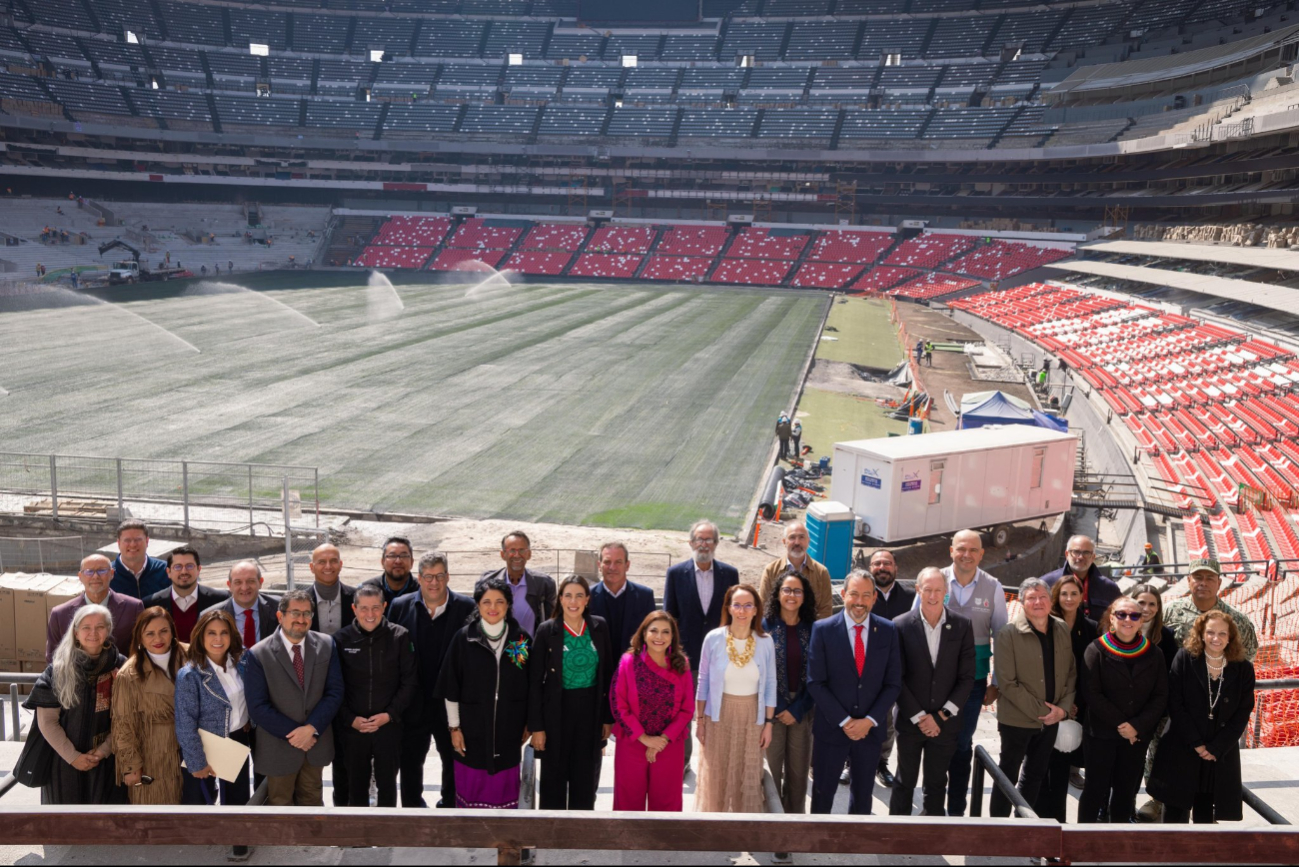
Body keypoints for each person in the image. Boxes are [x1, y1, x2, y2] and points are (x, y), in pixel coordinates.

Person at [1139, 559, 1257, 822]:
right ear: (1189, 581)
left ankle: (1205, 806)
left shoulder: (1235, 619)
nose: (1203, 583)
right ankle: (1158, 800)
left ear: (1219, 582)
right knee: (1162, 753)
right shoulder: (1169, 612)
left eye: (1209, 578)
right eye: (1197, 577)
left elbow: (1246, 656)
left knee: (1205, 768)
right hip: (1173, 700)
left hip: (1214, 708)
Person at [911, 529, 1008, 817]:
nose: (966, 555)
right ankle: (933, 810)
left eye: (973, 550)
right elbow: (912, 627)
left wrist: (997, 682)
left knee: (962, 744)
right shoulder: (933, 581)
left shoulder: (993, 587)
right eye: (961, 548)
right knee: (936, 742)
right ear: (950, 550)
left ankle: (956, 812)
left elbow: (1002, 637)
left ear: (982, 554)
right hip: (932, 682)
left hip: (973, 683)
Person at [807, 570, 902, 815]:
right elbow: (815, 682)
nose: (859, 602)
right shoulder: (823, 629)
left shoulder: (888, 630)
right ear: (843, 594)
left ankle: (856, 840)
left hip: (869, 733)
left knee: (862, 795)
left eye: (866, 595)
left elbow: (893, 683)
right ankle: (819, 840)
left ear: (874, 599)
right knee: (823, 792)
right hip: (831, 729)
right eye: (854, 594)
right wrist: (846, 721)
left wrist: (869, 721)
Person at [437, 576, 532, 809]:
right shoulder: (464, 639)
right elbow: (451, 689)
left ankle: (504, 839)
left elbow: (531, 687)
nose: (493, 608)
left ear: (508, 605)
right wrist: (455, 728)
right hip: (471, 731)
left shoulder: (520, 641)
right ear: (477, 605)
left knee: (504, 792)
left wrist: (529, 723)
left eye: (499, 602)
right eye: (486, 601)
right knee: (472, 789)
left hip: (509, 732)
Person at [389, 552, 475, 808]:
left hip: (450, 702)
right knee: (411, 760)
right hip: (412, 701)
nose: (434, 582)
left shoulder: (466, 607)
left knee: (453, 758)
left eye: (439, 576)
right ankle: (413, 809)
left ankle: (449, 806)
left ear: (448, 577)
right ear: (419, 578)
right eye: (428, 577)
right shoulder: (400, 606)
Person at [243, 590, 345, 807]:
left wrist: (311, 729)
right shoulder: (258, 653)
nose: (301, 619)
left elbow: (334, 692)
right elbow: (258, 706)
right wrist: (296, 735)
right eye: (295, 613)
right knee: (280, 805)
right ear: (280, 616)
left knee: (313, 800)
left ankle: (311, 843)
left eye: (307, 613)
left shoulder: (327, 645)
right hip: (278, 746)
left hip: (315, 743)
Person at [889, 568, 975, 817]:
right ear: (918, 590)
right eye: (928, 589)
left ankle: (932, 831)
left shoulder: (962, 625)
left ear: (946, 591)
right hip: (909, 722)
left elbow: (966, 677)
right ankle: (897, 831)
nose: (933, 595)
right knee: (905, 779)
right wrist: (919, 716)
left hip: (945, 725)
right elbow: (897, 677)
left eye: (938, 589)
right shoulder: (901, 625)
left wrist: (940, 717)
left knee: (937, 783)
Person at [989, 577, 1076, 818]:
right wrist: (1044, 712)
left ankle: (1023, 824)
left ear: (1050, 600)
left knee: (1035, 774)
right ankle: (996, 825)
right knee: (1007, 773)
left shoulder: (1061, 628)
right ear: (1021, 602)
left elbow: (1070, 672)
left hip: (1051, 720)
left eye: (1042, 597)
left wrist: (1062, 710)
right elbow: (1007, 682)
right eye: (1031, 598)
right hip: (1017, 720)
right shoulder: (1008, 634)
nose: (1038, 602)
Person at [1078, 596, 1168, 824]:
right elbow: (1092, 693)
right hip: (1101, 734)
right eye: (1122, 614)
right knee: (1095, 790)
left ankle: (1116, 843)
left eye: (1134, 615)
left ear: (1141, 621)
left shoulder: (1154, 653)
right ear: (1112, 618)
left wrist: (1137, 726)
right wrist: (1124, 726)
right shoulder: (1095, 650)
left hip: (1136, 738)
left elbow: (1160, 696)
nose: (1128, 619)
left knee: (1125, 792)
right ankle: (1082, 843)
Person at [23, 605, 126, 804]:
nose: (93, 633)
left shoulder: (121, 666)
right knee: (65, 826)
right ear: (76, 632)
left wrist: (104, 750)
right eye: (86, 627)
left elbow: (127, 718)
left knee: (104, 825)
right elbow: (48, 722)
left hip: (108, 761)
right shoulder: (58, 670)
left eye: (100, 627)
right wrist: (73, 757)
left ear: (109, 630)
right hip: (63, 763)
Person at [528, 575, 615, 810]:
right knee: (553, 776)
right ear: (560, 599)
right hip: (556, 712)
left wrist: (607, 718)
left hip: (591, 712)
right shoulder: (547, 631)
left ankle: (581, 830)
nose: (573, 601)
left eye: (579, 595)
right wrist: (537, 727)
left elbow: (608, 674)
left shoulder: (599, 627)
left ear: (587, 599)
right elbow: (535, 682)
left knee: (585, 776)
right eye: (568, 595)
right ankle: (552, 832)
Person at [694, 584, 776, 813]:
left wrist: (769, 724)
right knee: (717, 773)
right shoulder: (713, 638)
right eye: (737, 605)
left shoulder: (765, 641)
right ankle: (716, 826)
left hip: (753, 717)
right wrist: (699, 721)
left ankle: (743, 827)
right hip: (718, 715)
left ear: (755, 610)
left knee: (747, 772)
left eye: (748, 605)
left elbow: (770, 684)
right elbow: (703, 681)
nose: (742, 611)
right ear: (729, 608)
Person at [664, 519, 739, 769]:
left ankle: (715, 760)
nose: (704, 544)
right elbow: (669, 616)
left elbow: (734, 615)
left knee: (717, 709)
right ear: (690, 542)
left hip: (721, 657)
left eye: (709, 539)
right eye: (699, 539)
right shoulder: (675, 574)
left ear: (717, 543)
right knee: (683, 712)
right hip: (687, 657)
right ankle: (684, 761)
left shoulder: (730, 574)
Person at [334, 584, 417, 808]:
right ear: (354, 608)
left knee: (387, 784)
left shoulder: (400, 636)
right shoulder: (341, 639)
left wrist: (389, 715)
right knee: (355, 784)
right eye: (364, 608)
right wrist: (350, 719)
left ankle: (386, 835)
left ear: (384, 607)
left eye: (375, 608)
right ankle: (358, 836)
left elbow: (409, 682)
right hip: (353, 727)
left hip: (388, 726)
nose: (370, 615)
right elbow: (334, 686)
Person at [611, 611, 694, 812]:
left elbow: (687, 708)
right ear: (644, 633)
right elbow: (617, 703)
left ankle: (663, 844)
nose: (659, 637)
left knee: (667, 801)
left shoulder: (681, 664)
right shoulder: (628, 662)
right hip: (632, 742)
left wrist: (662, 739)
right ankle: (629, 844)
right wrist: (644, 738)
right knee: (628, 799)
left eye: (666, 632)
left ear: (673, 637)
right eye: (654, 631)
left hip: (669, 744)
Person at [1034, 572, 1097, 823]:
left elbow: (1090, 671)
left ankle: (1057, 823)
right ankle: (1039, 820)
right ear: (1056, 596)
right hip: (1047, 704)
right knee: (1040, 767)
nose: (1069, 598)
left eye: (1074, 593)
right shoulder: (1044, 625)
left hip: (1077, 706)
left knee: (1061, 766)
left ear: (1082, 597)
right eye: (1064, 593)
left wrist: (1075, 704)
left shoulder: (1091, 628)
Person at [175, 609, 253, 810]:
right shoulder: (190, 675)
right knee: (200, 804)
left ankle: (238, 841)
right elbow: (185, 724)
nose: (218, 638)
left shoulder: (241, 663)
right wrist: (196, 762)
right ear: (200, 636)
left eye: (224, 632)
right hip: (206, 746)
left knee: (238, 802)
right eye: (211, 633)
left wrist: (246, 721)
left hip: (236, 741)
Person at [112, 606, 185, 805]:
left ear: (172, 631)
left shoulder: (190, 657)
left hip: (192, 748)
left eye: (164, 631)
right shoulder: (130, 673)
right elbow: (123, 723)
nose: (158, 638)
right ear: (140, 638)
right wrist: (131, 765)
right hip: (153, 752)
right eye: (150, 633)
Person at [762, 572, 817, 814]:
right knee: (771, 769)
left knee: (798, 770)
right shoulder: (763, 627)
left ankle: (794, 823)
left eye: (797, 591)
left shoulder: (815, 629)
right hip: (771, 709)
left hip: (802, 709)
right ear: (777, 594)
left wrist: (796, 709)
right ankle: (771, 824)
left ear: (804, 597)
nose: (791, 595)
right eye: (786, 590)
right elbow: (759, 671)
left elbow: (819, 675)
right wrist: (780, 706)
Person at [868, 548, 915, 787]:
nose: (882, 567)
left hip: (902, 669)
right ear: (870, 569)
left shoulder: (910, 597)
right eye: (877, 564)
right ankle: (851, 763)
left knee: (890, 722)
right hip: (867, 669)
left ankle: (881, 764)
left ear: (896, 568)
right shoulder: (863, 596)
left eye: (887, 563)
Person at [47, 554, 143, 663]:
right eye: (89, 571)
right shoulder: (60, 614)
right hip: (77, 678)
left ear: (112, 574)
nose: (95, 576)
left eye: (102, 571)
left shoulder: (133, 608)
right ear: (80, 576)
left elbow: (142, 649)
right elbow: (53, 657)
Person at [477, 531, 556, 638]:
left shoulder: (544, 584)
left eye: (522, 550)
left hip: (529, 651)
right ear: (503, 554)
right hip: (496, 649)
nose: (517, 555)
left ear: (529, 554)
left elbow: (550, 621)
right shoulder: (487, 582)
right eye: (512, 550)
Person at [144, 545, 229, 643]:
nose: (184, 571)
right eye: (178, 567)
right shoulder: (150, 604)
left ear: (199, 570)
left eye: (189, 566)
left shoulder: (221, 599)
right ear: (168, 572)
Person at [588, 541, 658, 657]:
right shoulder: (587, 597)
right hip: (597, 670)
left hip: (633, 669)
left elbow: (652, 636)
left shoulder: (644, 596)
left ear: (627, 565)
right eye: (607, 562)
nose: (612, 567)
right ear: (599, 565)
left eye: (618, 562)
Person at [759, 522, 834, 620]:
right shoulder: (771, 571)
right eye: (792, 537)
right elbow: (763, 607)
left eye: (801, 537)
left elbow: (826, 611)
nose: (797, 542)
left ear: (808, 541)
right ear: (784, 541)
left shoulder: (821, 573)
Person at [1041, 535, 1121, 621]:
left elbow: (1121, 618)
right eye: (1076, 552)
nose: (1080, 557)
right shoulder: (1047, 583)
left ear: (1093, 557)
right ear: (1067, 554)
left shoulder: (1109, 588)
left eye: (1086, 553)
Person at [203, 560, 279, 650]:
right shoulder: (208, 617)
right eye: (238, 582)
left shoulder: (279, 608)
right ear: (229, 585)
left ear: (260, 582)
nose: (244, 587)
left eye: (250, 581)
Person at [108, 520, 171, 600]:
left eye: (138, 540)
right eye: (127, 540)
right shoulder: (106, 574)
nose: (133, 544)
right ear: (118, 543)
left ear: (147, 541)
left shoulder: (166, 571)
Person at [306, 543, 355, 637]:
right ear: (312, 567)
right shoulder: (300, 602)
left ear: (340, 565)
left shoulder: (356, 598)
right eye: (322, 562)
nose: (328, 566)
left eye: (333, 561)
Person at [362, 537, 420, 606]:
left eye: (404, 556)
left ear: (412, 562)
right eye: (392, 556)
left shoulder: (422, 591)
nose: (398, 561)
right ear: (382, 562)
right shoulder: (366, 590)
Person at [1132, 583, 1178, 671]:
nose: (1146, 609)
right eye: (1141, 603)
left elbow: (1169, 669)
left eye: (1152, 604)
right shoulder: (1121, 631)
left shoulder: (1167, 635)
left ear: (1158, 607)